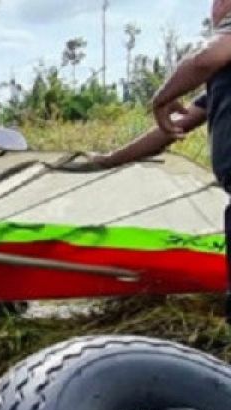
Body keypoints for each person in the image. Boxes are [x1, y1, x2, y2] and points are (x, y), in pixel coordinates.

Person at [91, 1, 231, 322]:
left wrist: (162, 97)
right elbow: (172, 130)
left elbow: (205, 58)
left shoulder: (220, 49)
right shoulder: (223, 80)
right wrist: (110, 160)